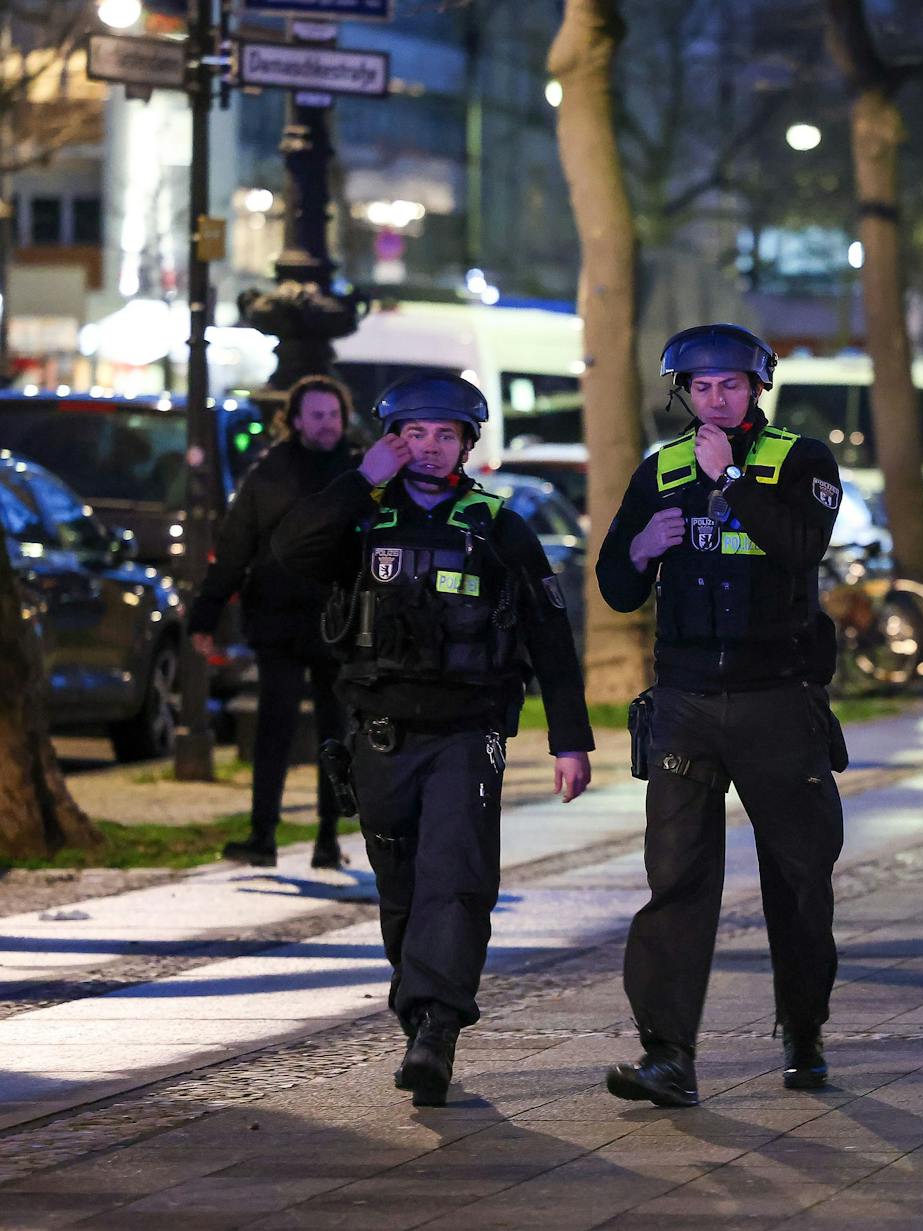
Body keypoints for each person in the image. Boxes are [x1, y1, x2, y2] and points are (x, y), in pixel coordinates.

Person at [272, 372, 594, 1107]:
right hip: (379, 732)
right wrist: (360, 482)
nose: (426, 448)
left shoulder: (497, 526)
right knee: (402, 887)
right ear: (391, 439)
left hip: (466, 731)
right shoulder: (363, 516)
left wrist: (568, 740)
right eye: (413, 434)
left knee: (456, 874)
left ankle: (435, 1028)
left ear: (466, 445)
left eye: (443, 435)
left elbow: (550, 636)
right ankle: (420, 1005)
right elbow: (290, 553)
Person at [595, 323, 847, 1110]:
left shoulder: (801, 461)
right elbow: (613, 583)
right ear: (684, 393)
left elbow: (802, 546)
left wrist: (732, 478)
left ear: (758, 389)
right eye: (700, 387)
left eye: (730, 385)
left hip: (778, 701)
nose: (714, 399)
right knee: (675, 881)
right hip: (686, 704)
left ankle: (803, 1031)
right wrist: (639, 548)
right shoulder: (661, 470)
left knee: (800, 880)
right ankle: (668, 1054)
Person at [191, 376, 362, 869]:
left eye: (333, 415)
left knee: (336, 732)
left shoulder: (357, 470)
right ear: (295, 420)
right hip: (281, 621)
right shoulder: (269, 474)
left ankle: (327, 836)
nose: (327, 424)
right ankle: (263, 834)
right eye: (317, 416)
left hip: (337, 620)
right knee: (274, 728)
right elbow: (234, 547)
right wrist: (207, 611)